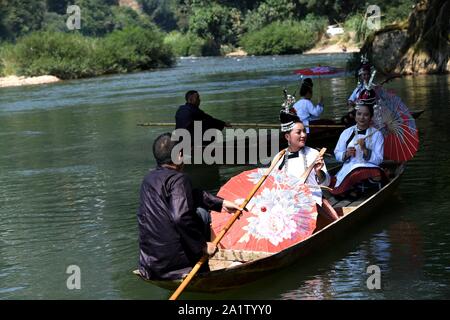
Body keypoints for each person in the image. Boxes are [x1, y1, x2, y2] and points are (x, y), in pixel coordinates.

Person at [137, 133, 240, 281]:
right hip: (176, 266)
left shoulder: (148, 179)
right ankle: (200, 267)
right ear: (179, 155)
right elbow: (181, 217)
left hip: (150, 265)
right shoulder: (179, 179)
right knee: (202, 214)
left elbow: (192, 195)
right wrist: (202, 246)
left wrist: (221, 203)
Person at [271, 111, 339, 222]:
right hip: (289, 204)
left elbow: (326, 183)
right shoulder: (278, 158)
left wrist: (318, 172)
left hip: (313, 200)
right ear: (287, 136)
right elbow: (274, 186)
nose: (303, 135)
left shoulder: (314, 153)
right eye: (298, 132)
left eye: (304, 131)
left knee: (333, 221)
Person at [332, 91, 385, 197]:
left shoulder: (377, 134)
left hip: (369, 167)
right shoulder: (347, 133)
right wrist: (346, 154)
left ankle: (353, 189)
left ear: (371, 117)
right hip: (350, 167)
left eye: (366, 115)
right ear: (355, 116)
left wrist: (365, 150)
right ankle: (356, 188)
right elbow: (337, 153)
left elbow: (379, 159)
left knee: (377, 175)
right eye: (359, 114)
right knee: (352, 175)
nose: (362, 118)